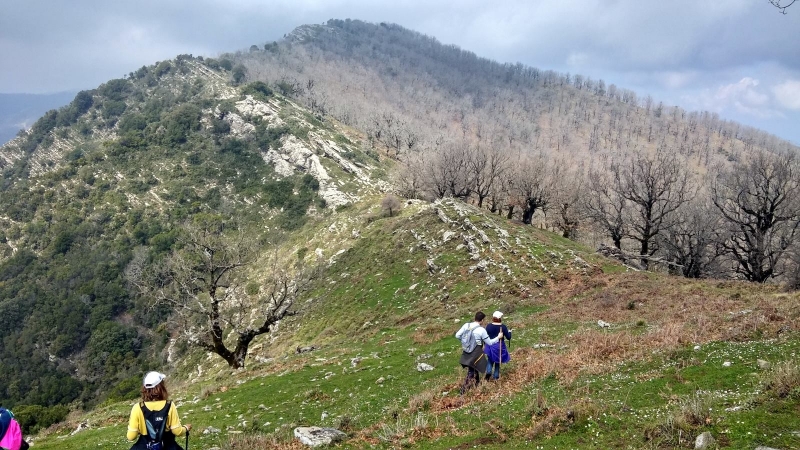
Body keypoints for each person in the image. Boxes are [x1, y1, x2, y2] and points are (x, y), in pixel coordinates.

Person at [127, 371, 192, 450]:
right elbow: (177, 431)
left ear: (144, 389)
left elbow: (131, 436)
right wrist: (186, 428)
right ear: (161, 387)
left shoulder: (137, 408)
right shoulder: (170, 405)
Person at [455, 311, 502, 394]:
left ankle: (477, 385)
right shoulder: (481, 330)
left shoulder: (466, 325)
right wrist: (498, 337)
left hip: (467, 350)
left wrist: (465, 342)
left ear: (474, 318)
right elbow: (489, 342)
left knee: (474, 367)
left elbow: (457, 335)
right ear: (482, 320)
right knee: (472, 370)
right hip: (476, 351)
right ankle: (463, 390)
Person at [484, 310, 512, 380]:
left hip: (490, 345)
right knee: (497, 360)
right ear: (500, 318)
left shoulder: (488, 326)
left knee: (490, 359)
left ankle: (489, 371)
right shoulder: (503, 327)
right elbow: (508, 337)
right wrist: (510, 332)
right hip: (499, 346)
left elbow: (486, 336)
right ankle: (496, 376)